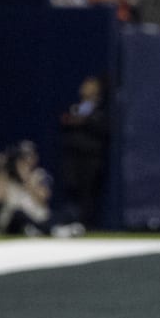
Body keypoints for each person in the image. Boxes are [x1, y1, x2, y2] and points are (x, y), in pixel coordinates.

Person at [56, 76, 109, 228]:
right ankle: (69, 221)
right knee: (71, 191)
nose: (86, 88)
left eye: (91, 86)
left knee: (88, 194)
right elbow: (65, 121)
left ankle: (86, 224)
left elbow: (103, 129)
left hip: (91, 159)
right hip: (72, 159)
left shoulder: (101, 110)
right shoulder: (75, 107)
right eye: (85, 85)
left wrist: (86, 121)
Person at [0, 141, 72, 236]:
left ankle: (38, 229)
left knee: (70, 212)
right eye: (22, 158)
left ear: (35, 158)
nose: (26, 161)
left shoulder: (40, 175)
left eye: (29, 156)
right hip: (14, 222)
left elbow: (43, 198)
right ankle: (53, 230)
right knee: (18, 213)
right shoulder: (6, 176)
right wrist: (2, 170)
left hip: (37, 218)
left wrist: (26, 178)